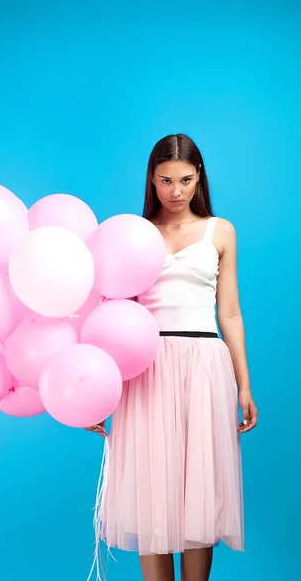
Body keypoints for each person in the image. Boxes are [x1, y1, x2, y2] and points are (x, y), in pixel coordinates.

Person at [86, 133, 258, 581]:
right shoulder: (134, 234)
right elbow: (111, 314)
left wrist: (244, 384)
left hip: (203, 365)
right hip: (146, 367)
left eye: (184, 180)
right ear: (152, 179)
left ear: (198, 176)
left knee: (199, 490)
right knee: (151, 494)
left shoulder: (220, 231)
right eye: (165, 180)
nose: (175, 191)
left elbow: (231, 312)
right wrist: (97, 394)